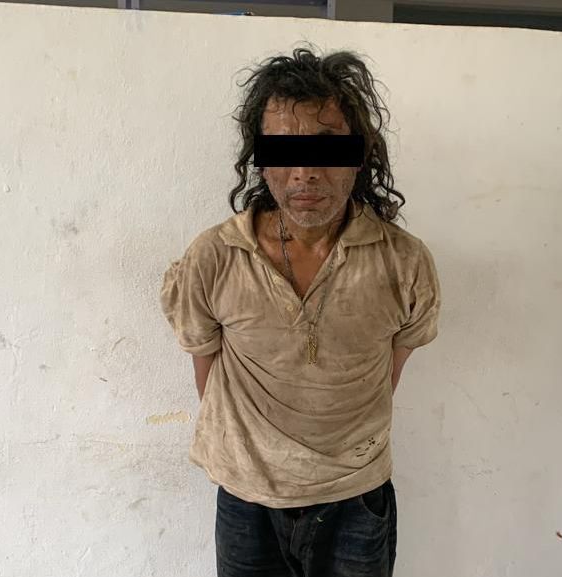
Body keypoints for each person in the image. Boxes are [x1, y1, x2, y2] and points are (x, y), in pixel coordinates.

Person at [160, 44, 441, 577]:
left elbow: (387, 373)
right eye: (284, 150)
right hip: (247, 500)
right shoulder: (215, 257)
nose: (306, 172)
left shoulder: (404, 262)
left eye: (328, 149)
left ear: (359, 156)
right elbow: (208, 374)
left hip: (356, 498)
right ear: (260, 158)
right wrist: (260, 459)